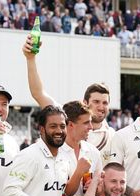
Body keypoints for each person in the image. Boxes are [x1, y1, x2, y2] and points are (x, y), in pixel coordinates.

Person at [23, 35, 115, 164]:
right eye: (96, 102)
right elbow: (38, 93)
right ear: (85, 103)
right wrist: (30, 58)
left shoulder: (113, 136)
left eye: (105, 103)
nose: (101, 107)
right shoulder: (65, 117)